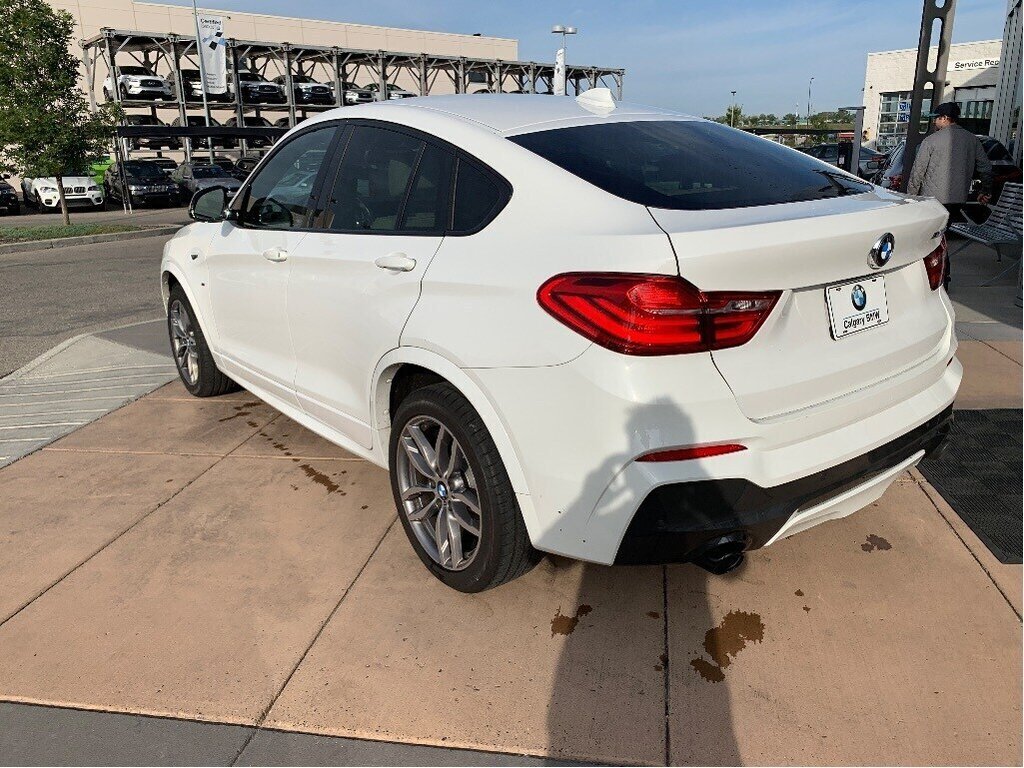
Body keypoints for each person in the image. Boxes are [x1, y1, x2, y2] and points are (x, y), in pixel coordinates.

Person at [907, 101, 992, 287]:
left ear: (945, 118)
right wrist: (984, 191)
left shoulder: (930, 141)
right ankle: (943, 276)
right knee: (941, 237)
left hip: (932, 200)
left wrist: (912, 198)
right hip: (957, 199)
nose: (934, 122)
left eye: (936, 118)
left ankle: (940, 277)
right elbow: (986, 167)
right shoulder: (972, 140)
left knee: (933, 239)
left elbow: (917, 173)